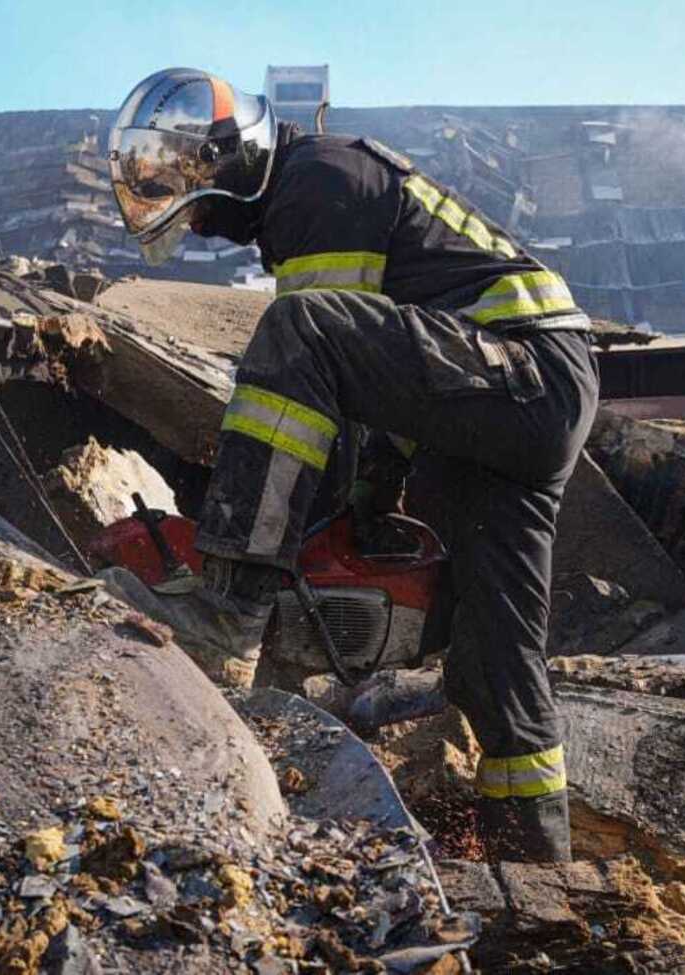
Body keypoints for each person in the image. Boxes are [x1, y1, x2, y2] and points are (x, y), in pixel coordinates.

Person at [105, 68, 599, 862]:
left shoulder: (316, 183)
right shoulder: (318, 183)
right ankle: (534, 860)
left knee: (296, 329)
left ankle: (228, 612)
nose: (197, 227)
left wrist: (284, 542)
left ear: (227, 163)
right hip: (532, 393)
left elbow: (330, 391)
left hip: (520, 369)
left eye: (196, 208)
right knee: (496, 653)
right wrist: (371, 497)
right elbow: (382, 379)